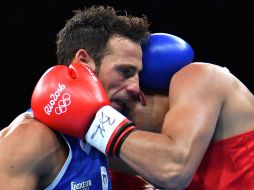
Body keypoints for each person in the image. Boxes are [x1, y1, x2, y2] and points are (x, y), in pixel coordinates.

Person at [0, 5, 149, 190]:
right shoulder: (30, 139)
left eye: (137, 75)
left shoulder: (97, 135)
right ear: (84, 61)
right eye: (125, 71)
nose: (136, 88)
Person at [109, 33, 254, 190]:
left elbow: (173, 169)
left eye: (123, 113)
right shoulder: (144, 158)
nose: (128, 125)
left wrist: (101, 125)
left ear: (139, 96)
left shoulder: (201, 76)